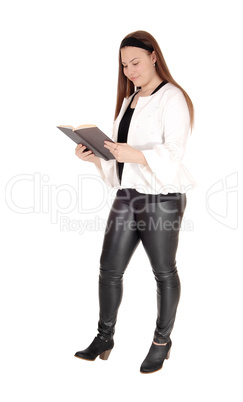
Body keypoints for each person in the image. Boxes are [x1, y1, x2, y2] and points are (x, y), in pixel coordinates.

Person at [74, 30, 196, 373]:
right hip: (128, 195)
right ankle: (104, 337)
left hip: (162, 198)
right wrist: (97, 157)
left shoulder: (173, 97)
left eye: (136, 62)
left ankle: (161, 341)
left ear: (154, 56)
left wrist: (134, 155)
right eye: (124, 65)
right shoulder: (130, 99)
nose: (129, 70)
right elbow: (121, 157)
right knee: (109, 270)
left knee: (163, 270)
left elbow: (173, 154)